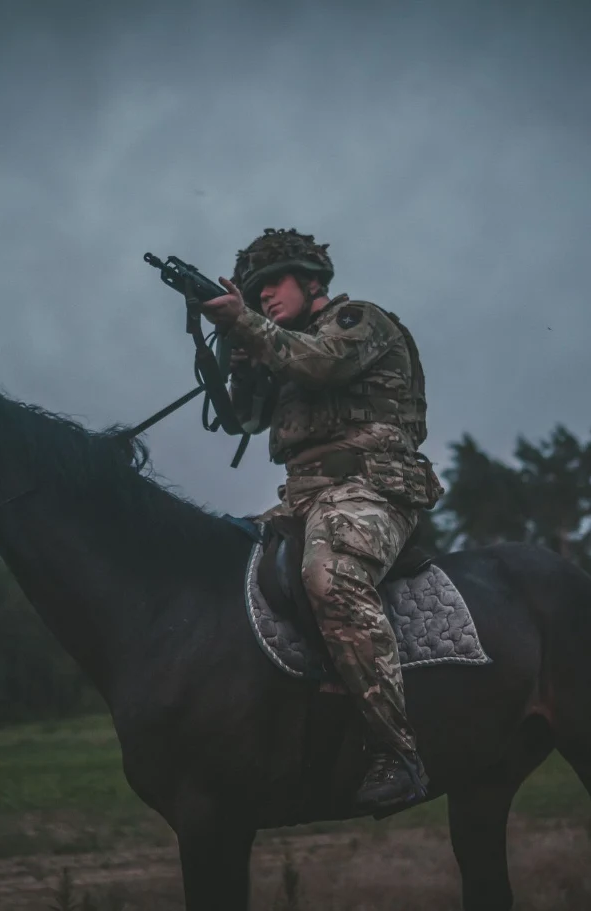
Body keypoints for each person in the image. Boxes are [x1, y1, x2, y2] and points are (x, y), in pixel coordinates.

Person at [198, 227, 444, 812]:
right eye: (253, 294)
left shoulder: (358, 321)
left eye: (271, 286)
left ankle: (398, 752)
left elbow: (320, 364)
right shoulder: (277, 343)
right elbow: (244, 420)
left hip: (372, 485)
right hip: (302, 495)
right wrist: (234, 359)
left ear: (312, 282)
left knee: (328, 577)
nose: (263, 299)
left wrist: (247, 327)